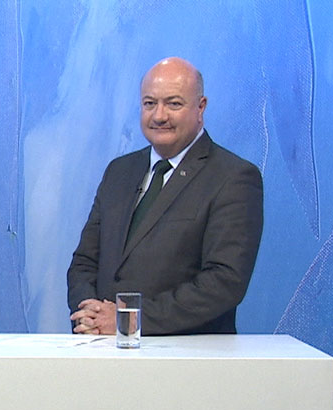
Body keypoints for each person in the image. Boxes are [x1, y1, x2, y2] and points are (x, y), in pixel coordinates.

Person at [67, 57, 263, 336]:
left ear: (201, 107)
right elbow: (85, 262)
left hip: (186, 354)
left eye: (173, 104)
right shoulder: (119, 172)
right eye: (150, 103)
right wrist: (90, 314)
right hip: (104, 347)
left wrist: (130, 320)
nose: (159, 116)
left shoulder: (233, 177)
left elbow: (224, 282)